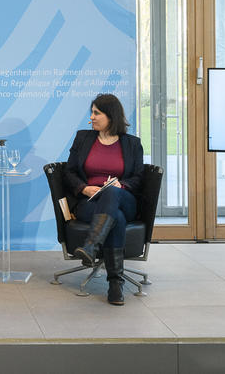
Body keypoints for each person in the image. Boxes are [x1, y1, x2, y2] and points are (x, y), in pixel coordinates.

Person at [63, 93, 144, 306]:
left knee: (112, 192)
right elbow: (69, 172)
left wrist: (122, 185)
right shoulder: (83, 138)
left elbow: (139, 178)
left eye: (97, 113)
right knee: (114, 216)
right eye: (92, 112)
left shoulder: (132, 144)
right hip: (90, 202)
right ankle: (115, 283)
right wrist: (84, 187)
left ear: (111, 115)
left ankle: (91, 246)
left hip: (123, 198)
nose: (92, 117)